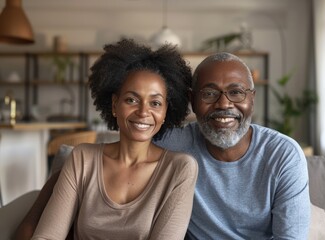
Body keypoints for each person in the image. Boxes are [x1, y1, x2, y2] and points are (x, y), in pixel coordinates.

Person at [16, 51, 310, 239]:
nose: (223, 104)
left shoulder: (283, 155)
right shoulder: (169, 137)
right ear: (192, 101)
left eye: (236, 93)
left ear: (252, 99)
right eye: (209, 93)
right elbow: (96, 158)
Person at [27, 38, 198, 240]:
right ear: (115, 105)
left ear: (166, 111)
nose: (144, 111)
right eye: (131, 100)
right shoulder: (82, 158)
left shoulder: (180, 169)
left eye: (155, 103)